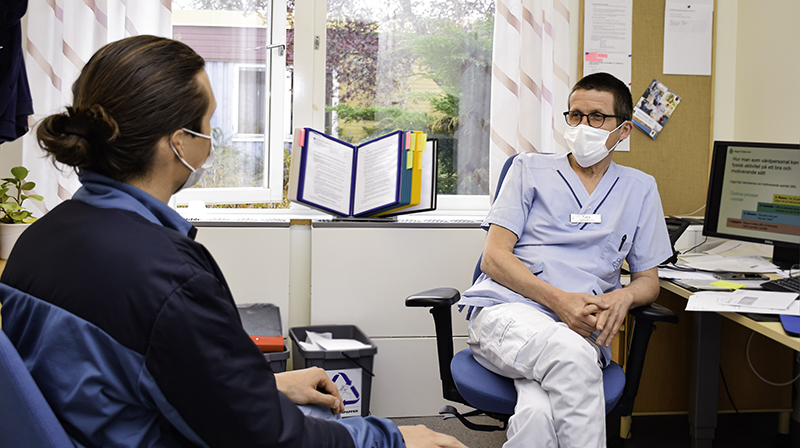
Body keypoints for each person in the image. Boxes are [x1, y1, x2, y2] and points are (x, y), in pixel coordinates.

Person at [0, 35, 466, 448]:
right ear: (179, 142)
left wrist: (265, 386)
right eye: (208, 121)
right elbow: (268, 438)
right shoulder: (168, 279)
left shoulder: (40, 239)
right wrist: (393, 437)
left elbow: (126, 373)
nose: (212, 138)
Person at [459, 72, 672, 448]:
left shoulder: (640, 188)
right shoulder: (528, 170)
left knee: (538, 416)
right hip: (509, 313)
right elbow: (493, 259)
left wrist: (623, 297)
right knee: (570, 355)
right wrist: (561, 301)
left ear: (623, 131)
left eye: (596, 117)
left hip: (582, 326)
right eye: (574, 115)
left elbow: (647, 281)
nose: (581, 125)